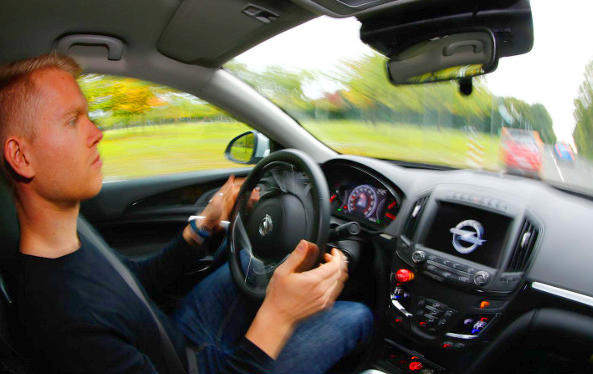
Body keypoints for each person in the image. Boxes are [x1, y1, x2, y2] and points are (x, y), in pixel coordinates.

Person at [0, 53, 373, 374]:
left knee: (246, 261)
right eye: (72, 120)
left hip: (172, 339)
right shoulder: (64, 322)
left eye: (88, 116)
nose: (97, 132)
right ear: (21, 157)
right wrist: (279, 314)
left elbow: (135, 282)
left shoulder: (71, 239)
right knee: (358, 316)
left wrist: (204, 227)